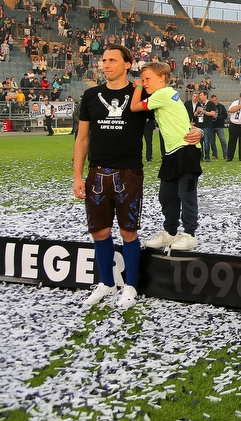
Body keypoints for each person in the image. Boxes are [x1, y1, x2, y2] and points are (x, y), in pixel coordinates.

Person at [72, 45, 198, 309]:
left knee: (128, 232)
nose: (105, 64)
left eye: (112, 60)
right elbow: (82, 138)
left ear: (127, 64)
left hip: (129, 171)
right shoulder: (91, 95)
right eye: (103, 60)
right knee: (100, 232)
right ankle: (106, 283)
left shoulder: (142, 93)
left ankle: (130, 286)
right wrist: (77, 175)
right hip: (96, 172)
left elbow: (172, 116)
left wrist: (196, 132)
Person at [131, 61, 202, 252]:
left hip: (186, 148)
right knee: (167, 195)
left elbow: (134, 107)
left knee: (186, 194)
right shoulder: (165, 94)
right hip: (172, 152)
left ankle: (190, 234)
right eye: (143, 79)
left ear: (162, 78)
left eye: (147, 79)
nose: (144, 82)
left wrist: (137, 87)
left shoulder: (162, 94)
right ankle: (170, 233)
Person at [207, 94, 228, 160]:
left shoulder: (221, 107)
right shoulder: (208, 106)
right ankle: (215, 155)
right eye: (212, 100)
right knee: (212, 142)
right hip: (211, 126)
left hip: (219, 126)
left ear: (217, 100)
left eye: (215, 100)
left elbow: (225, 115)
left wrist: (217, 117)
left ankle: (225, 154)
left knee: (223, 141)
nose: (214, 102)